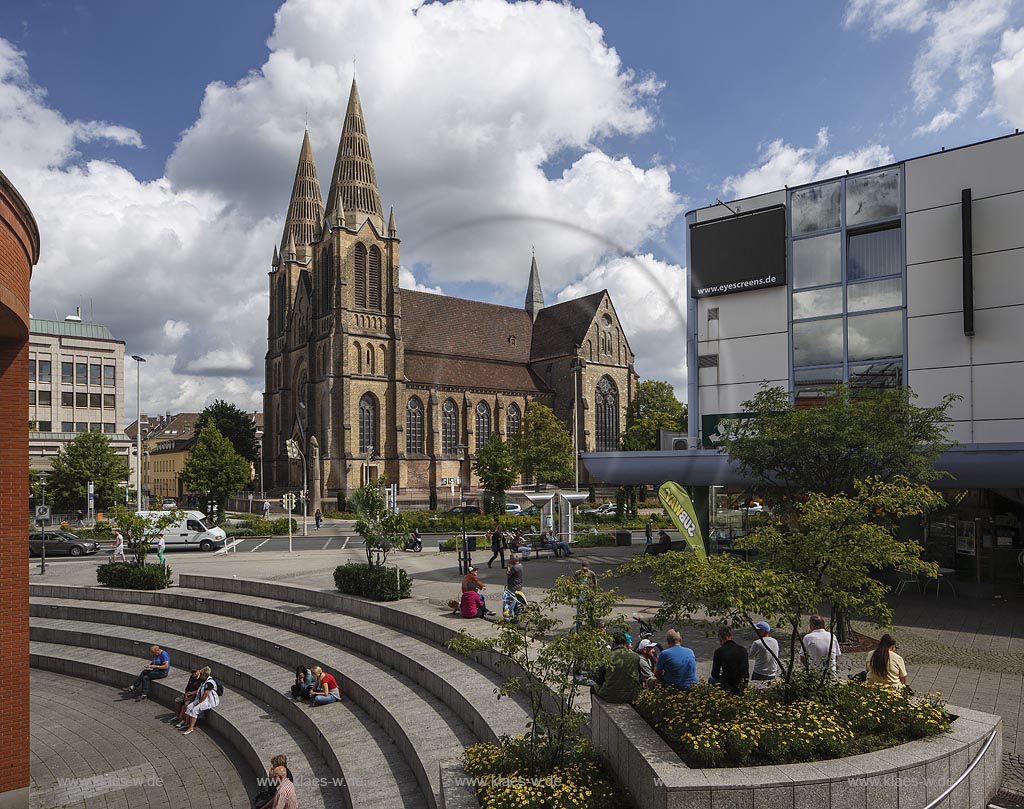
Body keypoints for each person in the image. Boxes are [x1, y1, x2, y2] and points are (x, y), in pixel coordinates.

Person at [592, 634, 641, 704]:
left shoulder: (607, 657)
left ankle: (593, 712)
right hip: (632, 695)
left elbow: (599, 679)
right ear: (625, 643)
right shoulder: (635, 656)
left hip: (610, 695)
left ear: (613, 643)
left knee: (593, 687)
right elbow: (639, 676)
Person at [181, 667, 220, 734]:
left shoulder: (209, 683)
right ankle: (186, 724)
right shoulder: (204, 681)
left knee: (194, 710)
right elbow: (199, 690)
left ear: (204, 675)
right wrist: (191, 693)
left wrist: (199, 702)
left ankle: (191, 728)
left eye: (201, 674)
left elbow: (205, 695)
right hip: (202, 699)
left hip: (209, 701)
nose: (200, 675)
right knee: (189, 706)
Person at [710, 628, 749, 695]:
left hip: (729, 684)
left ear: (720, 640)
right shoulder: (743, 649)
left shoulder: (719, 651)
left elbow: (714, 674)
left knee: (711, 680)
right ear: (731, 637)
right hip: (743, 683)